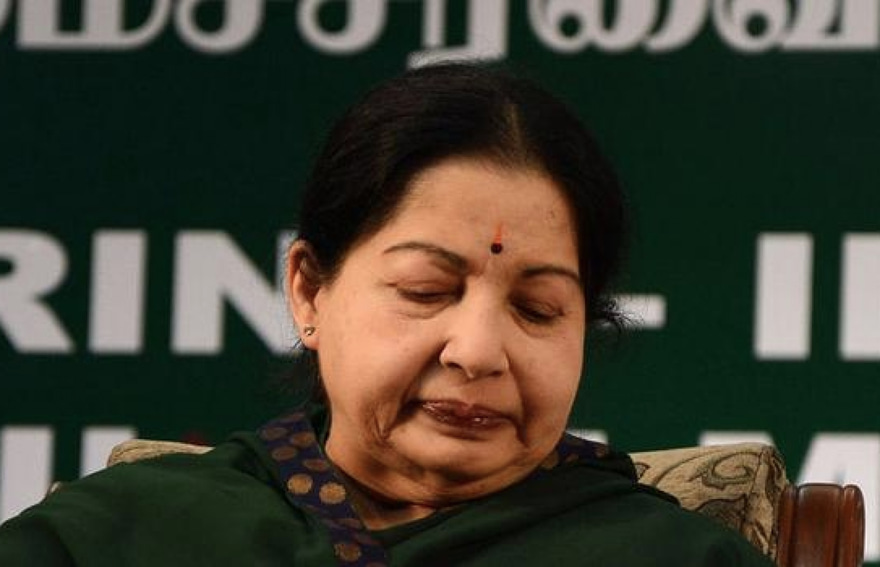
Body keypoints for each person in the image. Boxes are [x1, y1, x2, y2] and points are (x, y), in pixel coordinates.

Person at [0, 63, 774, 566]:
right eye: (426, 290)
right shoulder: (123, 535)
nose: (477, 350)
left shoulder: (665, 555)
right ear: (309, 290)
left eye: (537, 308)